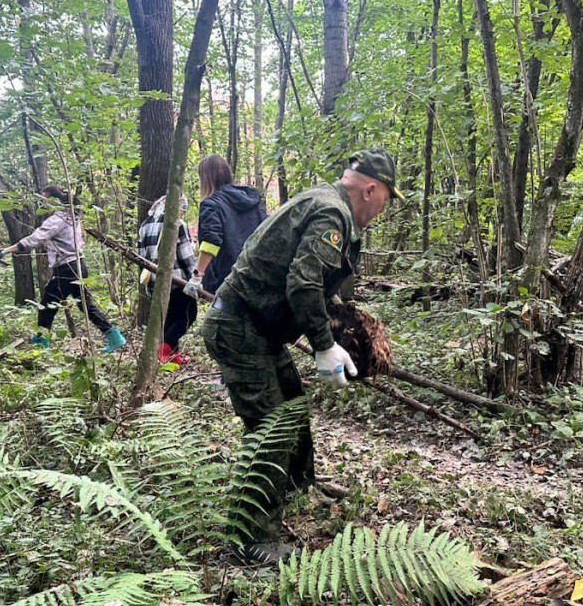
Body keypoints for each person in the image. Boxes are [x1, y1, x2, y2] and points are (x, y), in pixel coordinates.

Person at [199, 148, 402, 563]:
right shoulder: (332, 214)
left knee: (291, 407)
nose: (384, 208)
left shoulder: (326, 201)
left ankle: (297, 487)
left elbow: (308, 284)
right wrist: (324, 346)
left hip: (257, 328)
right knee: (270, 429)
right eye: (386, 197)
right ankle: (253, 539)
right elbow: (304, 283)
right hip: (239, 329)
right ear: (370, 189)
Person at [0, 185, 126, 353]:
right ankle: (114, 336)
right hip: (79, 265)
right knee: (84, 305)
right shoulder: (73, 217)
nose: (41, 204)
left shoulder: (57, 220)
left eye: (43, 200)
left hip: (66, 269)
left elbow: (35, 239)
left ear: (53, 202)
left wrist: (6, 250)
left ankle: (40, 345)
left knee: (47, 305)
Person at [183, 155, 267, 300]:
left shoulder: (211, 204)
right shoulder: (251, 202)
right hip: (257, 277)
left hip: (229, 282)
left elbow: (211, 241)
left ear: (205, 178)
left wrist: (196, 277)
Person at [137, 193, 198, 365]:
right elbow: (186, 256)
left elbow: (141, 257)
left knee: (170, 317)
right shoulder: (177, 224)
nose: (182, 214)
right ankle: (164, 349)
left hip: (155, 282)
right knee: (187, 316)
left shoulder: (144, 226)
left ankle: (172, 355)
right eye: (182, 209)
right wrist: (195, 278)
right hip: (177, 281)